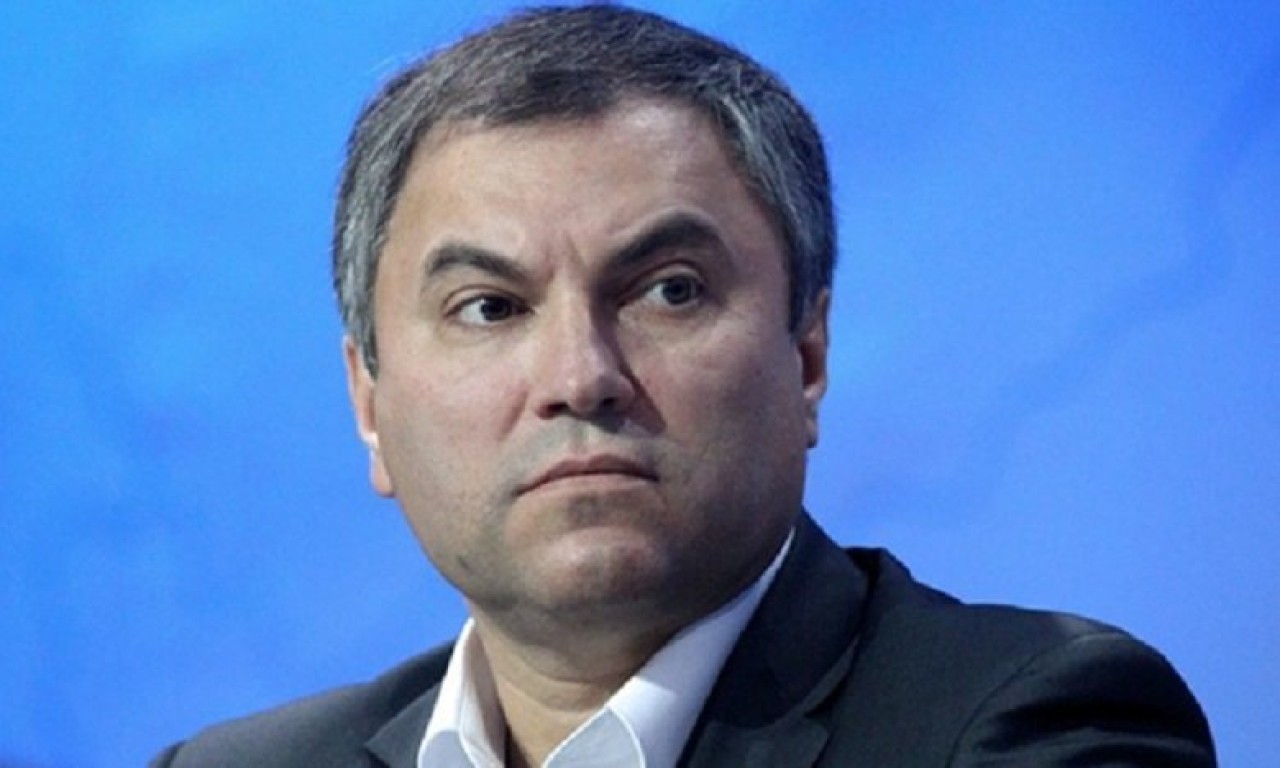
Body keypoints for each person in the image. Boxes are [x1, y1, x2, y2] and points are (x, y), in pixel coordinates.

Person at [153, 5, 1215, 766]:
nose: (580, 377)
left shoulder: (1033, 725)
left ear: (806, 355)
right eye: (489, 307)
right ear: (368, 403)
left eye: (669, 291)